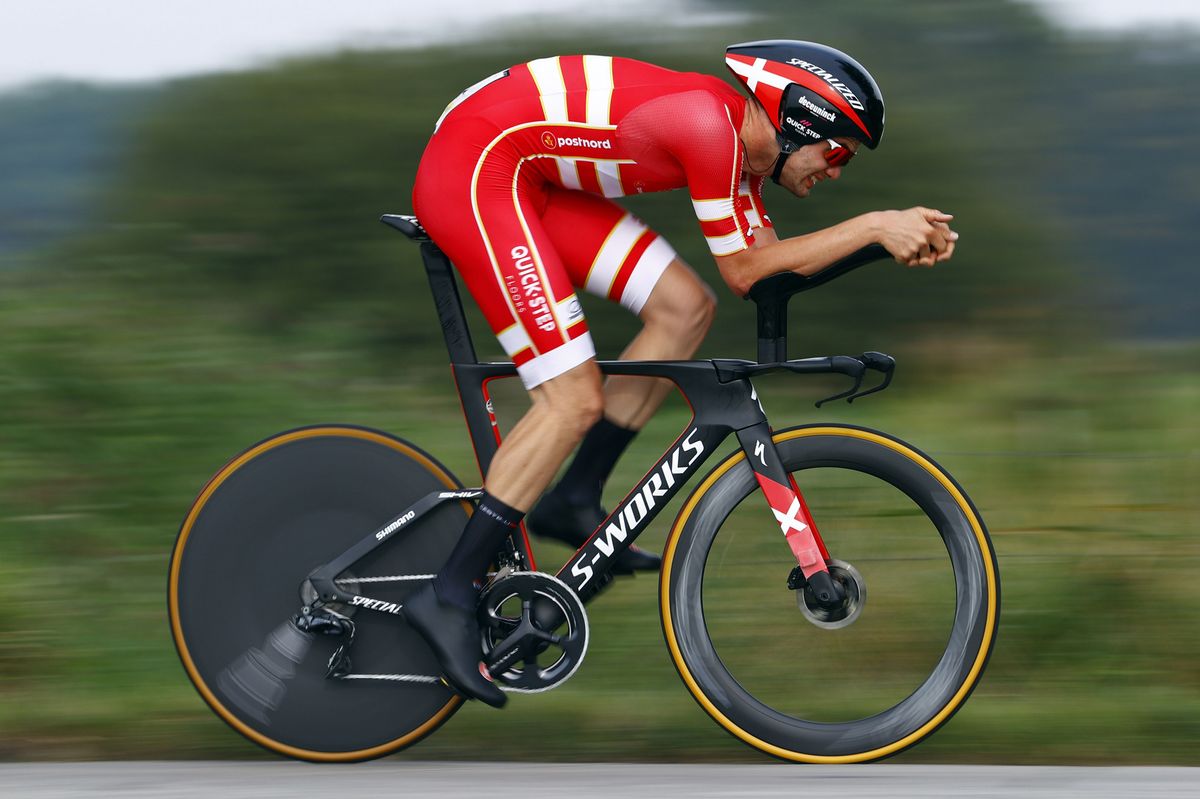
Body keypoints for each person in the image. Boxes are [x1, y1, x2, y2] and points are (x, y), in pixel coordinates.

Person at [403, 40, 958, 707]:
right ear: (799, 123)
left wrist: (882, 237)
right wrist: (874, 225)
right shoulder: (709, 130)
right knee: (569, 400)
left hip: (528, 176)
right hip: (477, 169)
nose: (837, 171)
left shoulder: (741, 159)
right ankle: (446, 594)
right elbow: (750, 270)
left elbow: (766, 271)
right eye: (836, 151)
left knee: (684, 308)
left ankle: (574, 497)